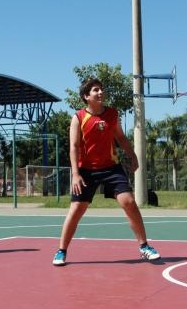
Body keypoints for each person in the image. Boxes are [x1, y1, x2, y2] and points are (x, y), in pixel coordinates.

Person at [53, 78, 160, 266]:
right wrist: (75, 174)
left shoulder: (112, 114)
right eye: (96, 90)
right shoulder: (78, 117)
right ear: (86, 96)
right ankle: (61, 251)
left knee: (129, 202)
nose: (100, 92)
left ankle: (144, 246)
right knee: (77, 209)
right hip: (86, 170)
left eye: (101, 89)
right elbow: (74, 147)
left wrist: (132, 155)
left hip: (111, 167)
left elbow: (120, 136)